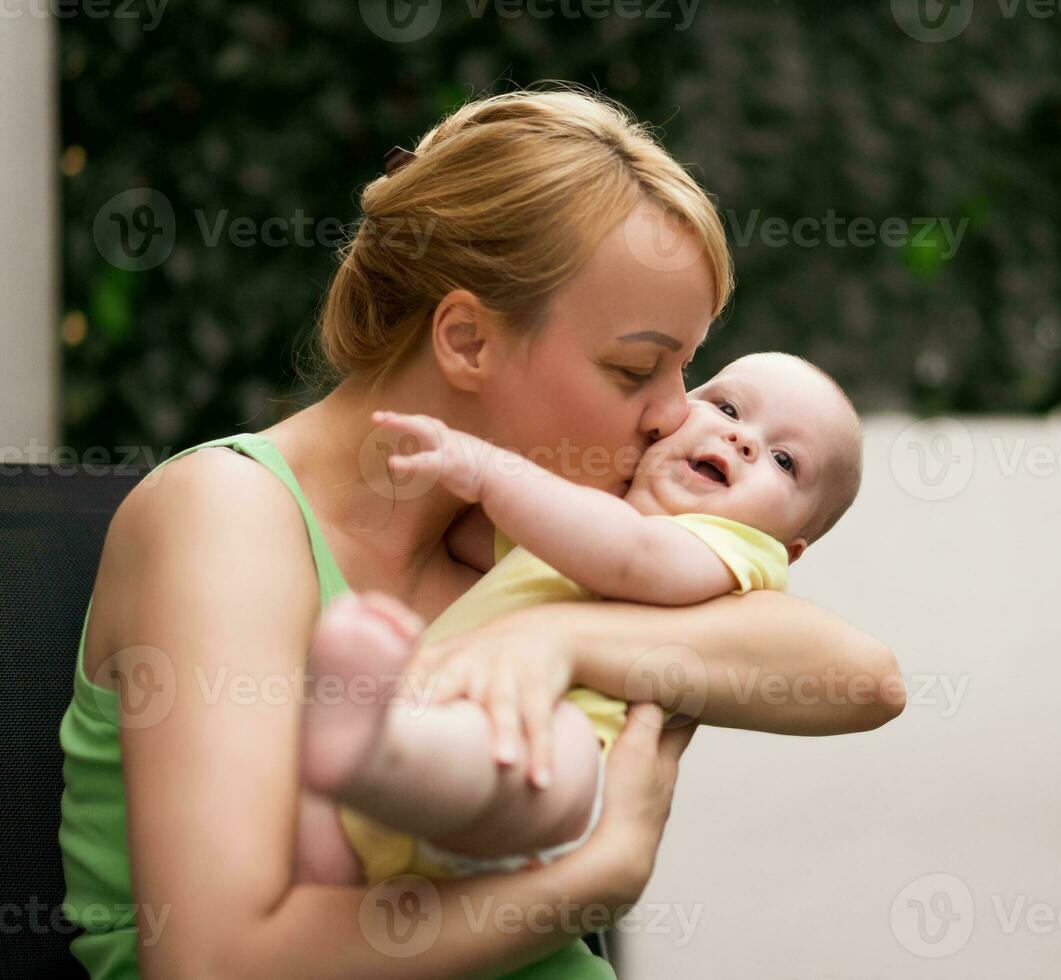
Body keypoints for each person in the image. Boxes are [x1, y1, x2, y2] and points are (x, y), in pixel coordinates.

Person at [57, 86, 904, 980]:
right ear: (466, 340)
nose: (674, 417)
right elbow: (218, 963)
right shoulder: (226, 517)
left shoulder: (532, 546)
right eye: (636, 369)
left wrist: (557, 636)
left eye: (687, 369)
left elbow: (863, 678)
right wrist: (594, 878)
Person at [298, 351, 869, 884]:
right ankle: (362, 758)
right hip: (431, 738)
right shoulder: (586, 512)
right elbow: (475, 538)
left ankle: (374, 747)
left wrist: (493, 473)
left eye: (785, 460)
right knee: (306, 828)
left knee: (538, 756)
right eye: (725, 407)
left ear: (791, 547)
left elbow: (631, 556)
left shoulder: (731, 550)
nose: (742, 438)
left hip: (556, 755)